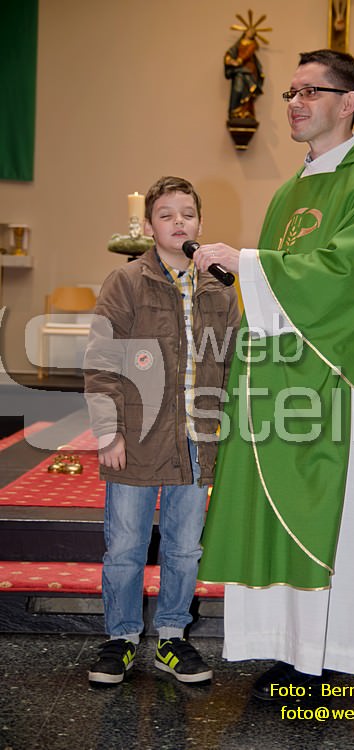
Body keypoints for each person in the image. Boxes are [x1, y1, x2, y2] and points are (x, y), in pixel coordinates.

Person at [192, 50, 354, 731]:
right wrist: (242, 275)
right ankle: (304, 658)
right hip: (286, 389)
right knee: (289, 524)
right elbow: (279, 288)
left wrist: (246, 263)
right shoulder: (288, 194)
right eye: (290, 92)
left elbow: (348, 276)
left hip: (350, 385)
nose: (295, 103)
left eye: (311, 91)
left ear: (348, 100)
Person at [84, 176, 240, 686]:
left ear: (200, 223)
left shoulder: (219, 288)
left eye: (187, 214)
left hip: (197, 441)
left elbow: (233, 365)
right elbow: (102, 361)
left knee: (184, 548)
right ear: (150, 226)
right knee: (126, 546)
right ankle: (121, 638)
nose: (179, 223)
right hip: (137, 438)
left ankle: (172, 636)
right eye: (167, 215)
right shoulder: (127, 282)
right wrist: (109, 431)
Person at [225, 27, 264, 120]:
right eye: (250, 31)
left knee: (247, 91)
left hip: (249, 69)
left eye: (253, 32)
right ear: (245, 32)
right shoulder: (239, 43)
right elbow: (231, 51)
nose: (250, 33)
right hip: (238, 70)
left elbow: (248, 53)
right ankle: (235, 111)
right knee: (237, 89)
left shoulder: (253, 44)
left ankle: (246, 112)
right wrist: (228, 59)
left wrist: (239, 61)